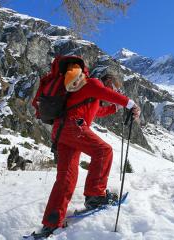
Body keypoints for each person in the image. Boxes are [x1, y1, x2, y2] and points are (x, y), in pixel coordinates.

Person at [39, 61, 140, 237]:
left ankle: (51, 222)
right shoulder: (93, 83)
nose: (116, 91)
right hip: (72, 126)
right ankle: (95, 196)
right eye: (115, 87)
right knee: (104, 151)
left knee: (67, 178)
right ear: (108, 81)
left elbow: (97, 112)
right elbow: (105, 93)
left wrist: (114, 108)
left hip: (62, 131)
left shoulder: (85, 93)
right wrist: (130, 103)